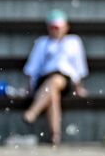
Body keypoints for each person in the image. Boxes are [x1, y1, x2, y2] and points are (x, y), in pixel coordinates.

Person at [23, 9, 90, 146]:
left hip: (65, 79)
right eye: (53, 28)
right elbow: (33, 67)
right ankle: (55, 135)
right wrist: (29, 87)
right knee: (52, 93)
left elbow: (79, 66)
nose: (55, 31)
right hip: (45, 79)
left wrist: (79, 87)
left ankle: (33, 111)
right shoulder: (42, 43)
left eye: (58, 27)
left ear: (66, 27)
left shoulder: (73, 41)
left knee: (54, 81)